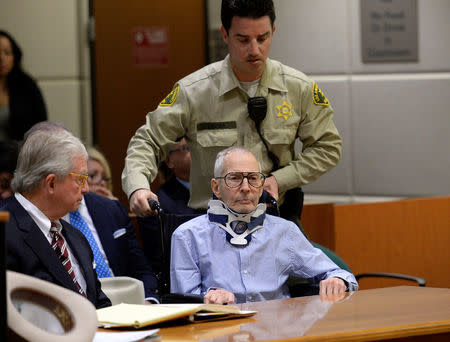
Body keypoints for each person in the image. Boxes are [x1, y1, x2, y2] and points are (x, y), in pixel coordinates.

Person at [122, 0, 342, 222]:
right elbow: (148, 141)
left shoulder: (298, 88)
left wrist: (279, 179)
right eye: (243, 40)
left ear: (273, 31)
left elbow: (328, 147)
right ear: (225, 34)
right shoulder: (194, 91)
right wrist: (138, 187)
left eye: (262, 38)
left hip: (276, 219)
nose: (254, 50)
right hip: (212, 225)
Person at [170, 146, 357, 304]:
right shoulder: (187, 236)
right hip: (217, 331)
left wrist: (337, 280)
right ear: (216, 188)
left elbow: (340, 273)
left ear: (261, 186)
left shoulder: (284, 232)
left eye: (253, 178)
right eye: (234, 178)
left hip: (276, 332)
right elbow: (183, 303)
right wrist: (208, 298)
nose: (245, 187)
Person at [23, 120, 160, 303]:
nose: (87, 188)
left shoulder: (110, 209)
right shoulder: (37, 224)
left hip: (130, 309)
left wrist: (149, 302)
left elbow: (142, 270)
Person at [2, 130, 111, 308]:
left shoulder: (76, 237)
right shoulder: (6, 232)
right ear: (51, 183)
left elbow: (99, 302)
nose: (86, 189)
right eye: (81, 179)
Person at [0, 30, 47, 141]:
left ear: (14, 57)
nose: (1, 58)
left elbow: (42, 127)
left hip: (19, 154)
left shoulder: (27, 86)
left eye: (7, 53)